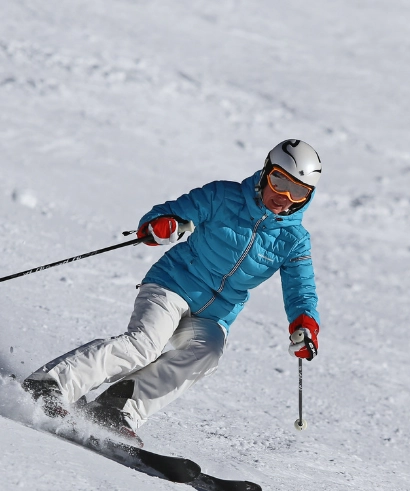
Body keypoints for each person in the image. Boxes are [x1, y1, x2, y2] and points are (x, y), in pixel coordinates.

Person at [23, 139, 322, 441]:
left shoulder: (294, 240)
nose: (284, 197)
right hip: (173, 284)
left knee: (207, 353)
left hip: (216, 314)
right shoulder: (222, 195)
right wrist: (163, 225)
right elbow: (169, 214)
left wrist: (304, 326)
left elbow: (301, 290)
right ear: (265, 172)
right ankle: (52, 384)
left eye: (298, 191)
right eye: (279, 181)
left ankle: (118, 407)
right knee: (144, 345)